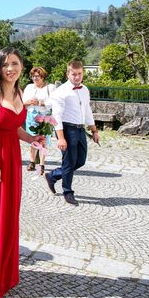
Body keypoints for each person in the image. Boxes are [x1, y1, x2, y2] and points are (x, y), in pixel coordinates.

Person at [0, 47, 44, 298]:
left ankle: (4, 273)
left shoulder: (18, 91)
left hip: (13, 157)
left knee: (8, 214)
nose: (10, 69)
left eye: (14, 63)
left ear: (22, 67)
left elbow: (14, 128)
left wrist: (32, 138)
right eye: (5, 64)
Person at [44, 60, 100, 206]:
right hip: (66, 129)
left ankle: (53, 175)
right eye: (73, 74)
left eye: (79, 74)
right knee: (69, 162)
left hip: (80, 129)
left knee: (80, 161)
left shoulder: (85, 89)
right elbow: (56, 117)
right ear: (67, 74)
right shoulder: (61, 92)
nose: (77, 77)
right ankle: (67, 192)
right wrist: (60, 138)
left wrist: (94, 130)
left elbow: (87, 111)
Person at [22, 66, 55, 174]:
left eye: (38, 76)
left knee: (43, 140)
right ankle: (32, 162)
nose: (35, 78)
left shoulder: (50, 87)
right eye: (33, 76)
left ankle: (41, 164)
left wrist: (42, 103)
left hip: (45, 116)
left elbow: (54, 102)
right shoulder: (29, 87)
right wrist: (31, 102)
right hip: (32, 116)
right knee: (33, 139)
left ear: (43, 77)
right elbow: (23, 102)